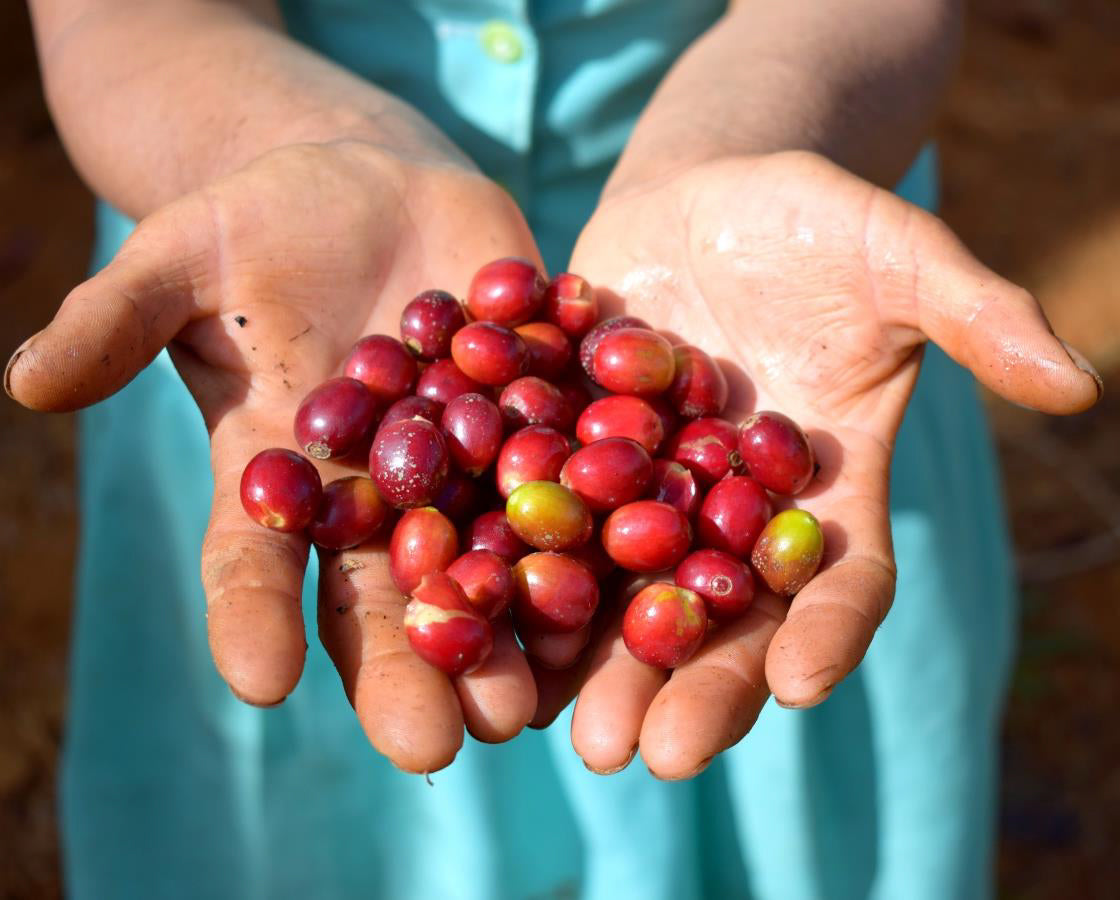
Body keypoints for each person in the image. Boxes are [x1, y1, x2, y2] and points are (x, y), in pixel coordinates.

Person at [9, 1, 1101, 898]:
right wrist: (291, 144)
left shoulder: (684, 409)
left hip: (763, 284)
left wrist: (749, 133)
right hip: (289, 295)